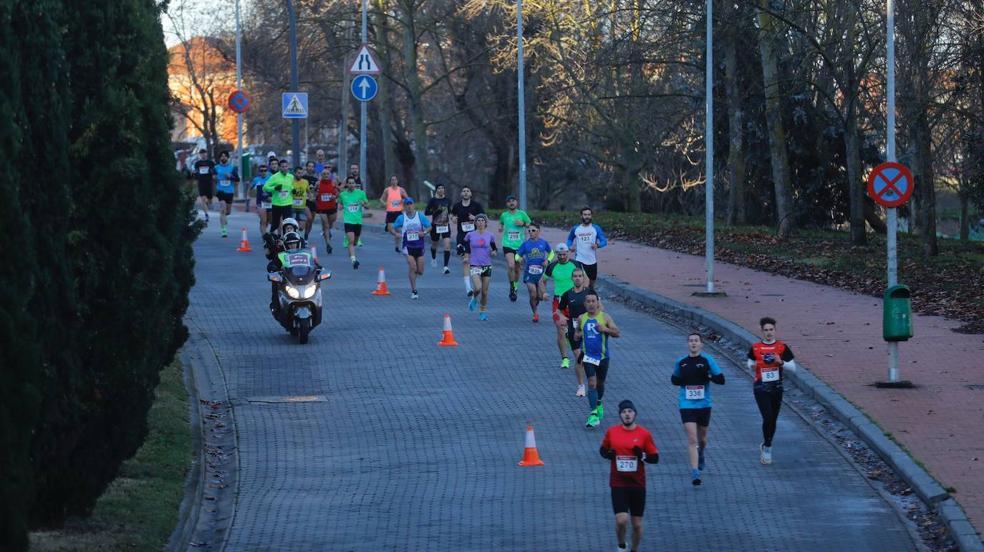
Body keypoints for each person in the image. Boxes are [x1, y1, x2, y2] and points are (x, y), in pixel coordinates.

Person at [599, 400, 659, 552]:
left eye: (630, 411)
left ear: (635, 414)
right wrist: (609, 455)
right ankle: (621, 545)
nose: (627, 414)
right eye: (624, 412)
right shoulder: (612, 432)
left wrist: (643, 456)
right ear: (620, 415)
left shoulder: (644, 434)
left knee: (637, 524)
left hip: (637, 484)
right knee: (621, 520)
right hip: (618, 483)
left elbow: (655, 458)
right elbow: (602, 450)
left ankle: (634, 549)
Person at [671, 332, 725, 486]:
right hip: (686, 404)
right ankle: (695, 471)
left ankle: (701, 452)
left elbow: (721, 380)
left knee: (702, 439)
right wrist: (683, 379)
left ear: (701, 344)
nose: (693, 343)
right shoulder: (681, 362)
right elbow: (674, 380)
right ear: (687, 344)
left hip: (704, 405)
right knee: (692, 438)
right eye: (691, 341)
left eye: (696, 341)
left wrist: (707, 376)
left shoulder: (708, 360)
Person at [747, 317, 797, 465]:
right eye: (766, 330)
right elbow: (749, 363)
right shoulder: (755, 347)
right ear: (761, 331)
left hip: (777, 387)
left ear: (775, 330)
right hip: (760, 387)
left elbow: (793, 368)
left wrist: (780, 362)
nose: (769, 333)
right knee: (767, 417)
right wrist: (752, 366)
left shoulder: (782, 347)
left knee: (773, 419)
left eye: (771, 330)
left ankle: (766, 443)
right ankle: (768, 449)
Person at [576, 291, 620, 427]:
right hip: (588, 357)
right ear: (584, 304)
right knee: (592, 383)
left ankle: (599, 401)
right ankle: (593, 413)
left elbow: (617, 333)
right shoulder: (581, 318)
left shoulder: (605, 317)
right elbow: (577, 331)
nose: (590, 304)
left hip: (603, 357)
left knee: (600, 383)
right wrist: (576, 335)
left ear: (597, 303)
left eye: (593, 301)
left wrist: (605, 330)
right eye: (588, 301)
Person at [558, 268, 592, 397]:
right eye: (575, 276)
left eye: (580, 276)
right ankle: (581, 386)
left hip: (589, 329)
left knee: (588, 358)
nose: (577, 278)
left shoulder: (589, 293)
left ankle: (592, 379)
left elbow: (600, 307)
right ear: (572, 279)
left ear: (583, 279)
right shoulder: (567, 294)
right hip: (573, 328)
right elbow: (559, 310)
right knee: (579, 358)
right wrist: (561, 317)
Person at [544, 244, 577, 369]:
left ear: (568, 253)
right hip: (558, 301)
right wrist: (544, 292)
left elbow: (585, 279)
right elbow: (543, 281)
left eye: (564, 254)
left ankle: (578, 350)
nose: (562, 257)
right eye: (559, 255)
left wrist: (584, 292)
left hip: (573, 300)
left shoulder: (576, 265)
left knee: (576, 329)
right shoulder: (552, 266)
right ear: (556, 254)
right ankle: (565, 358)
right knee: (560, 328)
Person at [393, 198, 432, 299]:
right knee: (412, 266)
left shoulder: (420, 216)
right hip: (407, 246)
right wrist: (399, 232)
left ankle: (415, 281)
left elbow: (429, 226)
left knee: (420, 271)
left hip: (419, 246)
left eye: (410, 204)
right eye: (407, 204)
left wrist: (424, 233)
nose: (409, 206)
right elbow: (394, 226)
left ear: (413, 205)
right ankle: (414, 291)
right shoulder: (401, 218)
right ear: (404, 206)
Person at [450, 186, 485, 296]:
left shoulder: (476, 205)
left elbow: (484, 218)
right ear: (461, 194)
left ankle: (477, 282)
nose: (465, 193)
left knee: (475, 261)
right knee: (465, 260)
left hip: (475, 236)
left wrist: (475, 218)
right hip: (462, 236)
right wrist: (453, 218)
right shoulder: (457, 206)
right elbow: (452, 215)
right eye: (464, 191)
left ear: (470, 194)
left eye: (467, 191)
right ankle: (468, 287)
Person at [498, 195, 532, 301]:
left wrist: (523, 224)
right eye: (509, 201)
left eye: (513, 201)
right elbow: (501, 223)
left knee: (517, 269)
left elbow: (530, 225)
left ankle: (515, 287)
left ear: (516, 203)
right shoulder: (504, 215)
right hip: (507, 244)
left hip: (520, 246)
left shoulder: (522, 214)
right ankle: (512, 287)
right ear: (507, 204)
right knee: (511, 265)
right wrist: (500, 227)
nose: (511, 203)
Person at [463, 213, 497, 320]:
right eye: (478, 220)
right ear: (475, 223)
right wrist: (466, 256)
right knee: (478, 287)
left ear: (485, 223)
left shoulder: (490, 235)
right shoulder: (470, 235)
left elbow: (494, 248)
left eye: (482, 220)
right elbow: (466, 247)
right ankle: (474, 299)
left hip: (487, 265)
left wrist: (494, 252)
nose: (480, 222)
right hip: (474, 264)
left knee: (485, 292)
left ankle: (483, 312)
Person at [515, 224, 551, 322]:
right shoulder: (525, 244)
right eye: (529, 231)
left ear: (538, 231)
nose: (531, 232)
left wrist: (548, 260)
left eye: (533, 230)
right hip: (529, 273)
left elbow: (551, 253)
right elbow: (517, 255)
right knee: (533, 294)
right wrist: (520, 259)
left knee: (540, 297)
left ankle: (535, 304)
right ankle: (535, 313)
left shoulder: (543, 243)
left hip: (541, 274)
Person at [566, 206, 608, 288]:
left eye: (589, 214)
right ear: (581, 216)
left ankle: (591, 298)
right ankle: (581, 298)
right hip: (579, 260)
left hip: (592, 261)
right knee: (584, 284)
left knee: (592, 285)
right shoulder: (576, 228)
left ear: (591, 216)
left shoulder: (596, 228)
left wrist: (598, 245)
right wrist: (569, 247)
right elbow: (569, 239)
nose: (587, 217)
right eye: (585, 214)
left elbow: (604, 241)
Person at [338, 176, 369, 269]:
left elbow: (367, 205)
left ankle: (351, 252)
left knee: (354, 242)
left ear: (355, 184)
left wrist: (364, 204)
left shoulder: (361, 193)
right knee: (351, 241)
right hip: (348, 221)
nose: (351, 185)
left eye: (353, 183)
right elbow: (340, 204)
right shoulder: (343, 195)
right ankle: (353, 260)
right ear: (347, 184)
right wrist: (340, 206)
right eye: (349, 183)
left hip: (358, 221)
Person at [425, 184, 453, 274]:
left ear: (444, 190)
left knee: (447, 246)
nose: (441, 190)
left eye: (442, 188)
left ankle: (445, 267)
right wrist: (435, 210)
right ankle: (433, 257)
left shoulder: (448, 200)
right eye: (439, 188)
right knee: (434, 245)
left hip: (445, 225)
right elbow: (426, 212)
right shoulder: (433, 200)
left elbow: (450, 212)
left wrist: (453, 217)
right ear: (436, 190)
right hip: (435, 226)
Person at [263, 159, 295, 232]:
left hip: (288, 203)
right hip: (277, 204)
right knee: (275, 224)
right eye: (283, 166)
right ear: (279, 167)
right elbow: (265, 187)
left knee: (288, 223)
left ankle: (286, 239)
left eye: (286, 166)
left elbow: (291, 186)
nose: (285, 168)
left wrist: (293, 190)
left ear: (288, 167)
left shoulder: (291, 177)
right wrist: (274, 188)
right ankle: (270, 239)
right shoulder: (274, 177)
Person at [313, 168, 340, 254]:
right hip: (321, 207)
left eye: (327, 174)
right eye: (324, 174)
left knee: (332, 221)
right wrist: (315, 195)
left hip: (332, 206)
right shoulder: (318, 183)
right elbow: (313, 192)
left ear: (330, 175)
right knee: (326, 225)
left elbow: (337, 192)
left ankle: (327, 233)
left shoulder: (333, 183)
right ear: (321, 175)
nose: (326, 176)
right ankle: (328, 244)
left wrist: (335, 196)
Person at [214, 151, 239, 237]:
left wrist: (230, 176)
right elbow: (212, 177)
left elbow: (237, 179)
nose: (223, 158)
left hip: (230, 191)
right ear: (219, 158)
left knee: (228, 212)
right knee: (222, 209)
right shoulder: (216, 168)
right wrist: (214, 178)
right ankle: (223, 230)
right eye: (222, 156)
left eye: (225, 156)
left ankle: (224, 217)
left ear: (228, 158)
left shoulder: (232, 168)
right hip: (220, 191)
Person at [380, 176, 409, 252]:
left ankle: (397, 247)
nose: (393, 181)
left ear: (397, 181)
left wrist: (403, 200)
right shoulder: (387, 190)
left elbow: (408, 199)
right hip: (390, 212)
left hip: (398, 212)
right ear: (390, 181)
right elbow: (381, 199)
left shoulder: (401, 190)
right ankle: (400, 236)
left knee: (398, 229)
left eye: (395, 180)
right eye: (392, 180)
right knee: (390, 230)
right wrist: (384, 204)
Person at [193, 149, 215, 222]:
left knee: (210, 200)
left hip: (209, 182)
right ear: (200, 155)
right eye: (201, 154)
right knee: (203, 199)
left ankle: (208, 203)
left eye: (204, 153)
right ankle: (206, 215)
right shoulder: (197, 163)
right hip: (201, 182)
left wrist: (213, 174)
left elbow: (214, 171)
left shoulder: (210, 163)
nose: (203, 155)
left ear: (206, 154)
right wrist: (195, 179)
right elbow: (195, 172)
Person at [291, 166, 312, 234]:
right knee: (294, 225)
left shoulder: (305, 182)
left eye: (301, 173)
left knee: (302, 227)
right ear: (294, 173)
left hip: (302, 207)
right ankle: (296, 239)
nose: (300, 175)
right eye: (298, 173)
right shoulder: (290, 181)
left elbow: (308, 192)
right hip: (292, 207)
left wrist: (310, 197)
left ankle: (299, 236)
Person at [252, 164, 271, 237]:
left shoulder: (271, 179)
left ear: (267, 171)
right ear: (259, 172)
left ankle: (266, 234)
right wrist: (250, 197)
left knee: (268, 221)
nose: (263, 172)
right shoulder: (256, 179)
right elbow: (251, 189)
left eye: (265, 171)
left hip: (270, 202)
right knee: (264, 221)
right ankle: (265, 238)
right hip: (260, 203)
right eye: (261, 171)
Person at [303, 161, 320, 240]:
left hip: (313, 201)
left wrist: (316, 193)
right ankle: (302, 233)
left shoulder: (316, 179)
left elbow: (317, 191)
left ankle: (306, 236)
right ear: (306, 167)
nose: (310, 168)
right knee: (309, 218)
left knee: (311, 221)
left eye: (312, 166)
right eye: (309, 166)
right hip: (304, 201)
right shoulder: (302, 177)